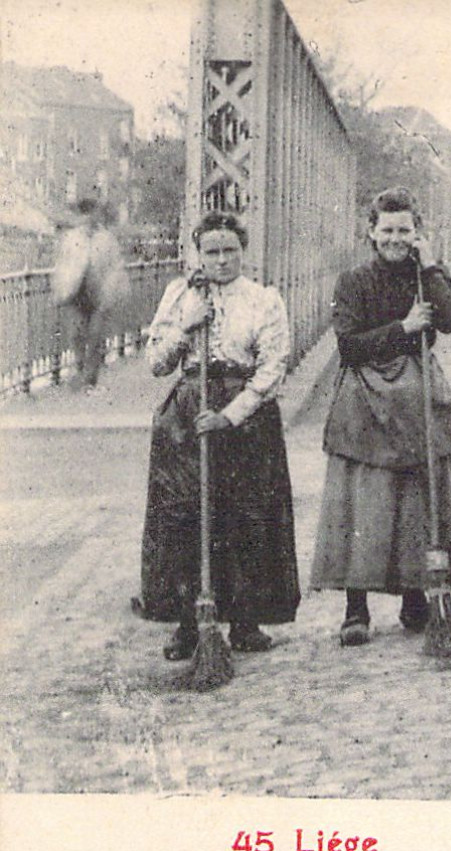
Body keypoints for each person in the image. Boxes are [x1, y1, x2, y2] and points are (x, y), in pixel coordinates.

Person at [310, 186, 451, 646]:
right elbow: (348, 346)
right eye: (388, 230)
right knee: (363, 501)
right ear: (371, 232)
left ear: (417, 234)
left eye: (405, 230)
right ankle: (355, 608)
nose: (396, 239)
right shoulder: (354, 282)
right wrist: (403, 328)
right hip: (366, 397)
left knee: (420, 498)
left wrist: (432, 265)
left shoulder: (425, 277)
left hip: (418, 397)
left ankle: (418, 599)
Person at [139, 211, 299, 657]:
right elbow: (155, 363)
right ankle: (188, 623)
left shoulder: (263, 299)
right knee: (184, 515)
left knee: (245, 515)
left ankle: (245, 622)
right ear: (198, 254)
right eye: (212, 252)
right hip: (188, 415)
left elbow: (273, 367)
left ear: (243, 251)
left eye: (231, 250)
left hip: (245, 417)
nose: (222, 260)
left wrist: (231, 415)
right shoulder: (179, 294)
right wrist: (186, 325)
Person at [52, 197, 130, 391]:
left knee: (95, 337)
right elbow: (62, 265)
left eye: (93, 213)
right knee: (77, 335)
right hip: (76, 293)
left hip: (99, 294)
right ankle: (79, 369)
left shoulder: (106, 239)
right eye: (85, 214)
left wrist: (113, 290)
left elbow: (116, 267)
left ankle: (90, 378)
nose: (89, 218)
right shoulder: (71, 238)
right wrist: (60, 290)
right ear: (81, 216)